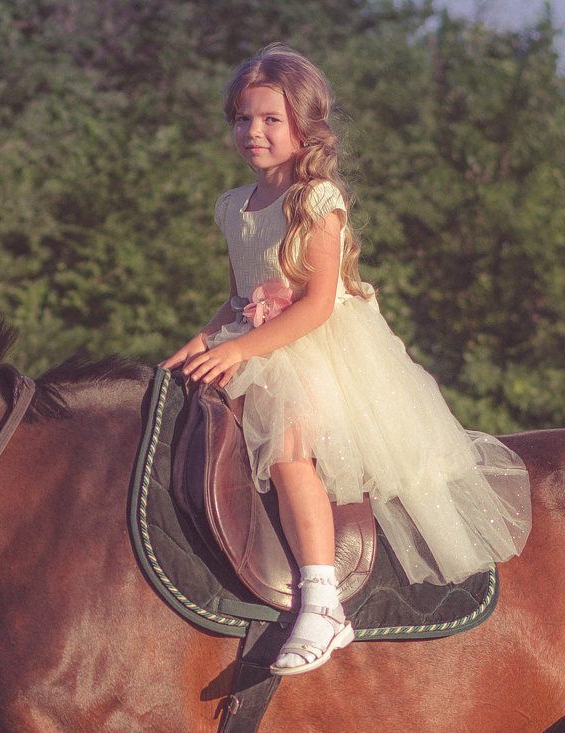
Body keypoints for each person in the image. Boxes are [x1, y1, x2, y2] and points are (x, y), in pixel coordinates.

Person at [162, 43, 532, 676]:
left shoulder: (317, 200)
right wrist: (191, 350)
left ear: (304, 128)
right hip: (256, 339)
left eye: (270, 120)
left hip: (318, 350)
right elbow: (236, 298)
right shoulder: (234, 205)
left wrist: (244, 348)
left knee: (287, 454)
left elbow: (317, 306)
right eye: (243, 119)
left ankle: (323, 600)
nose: (253, 131)